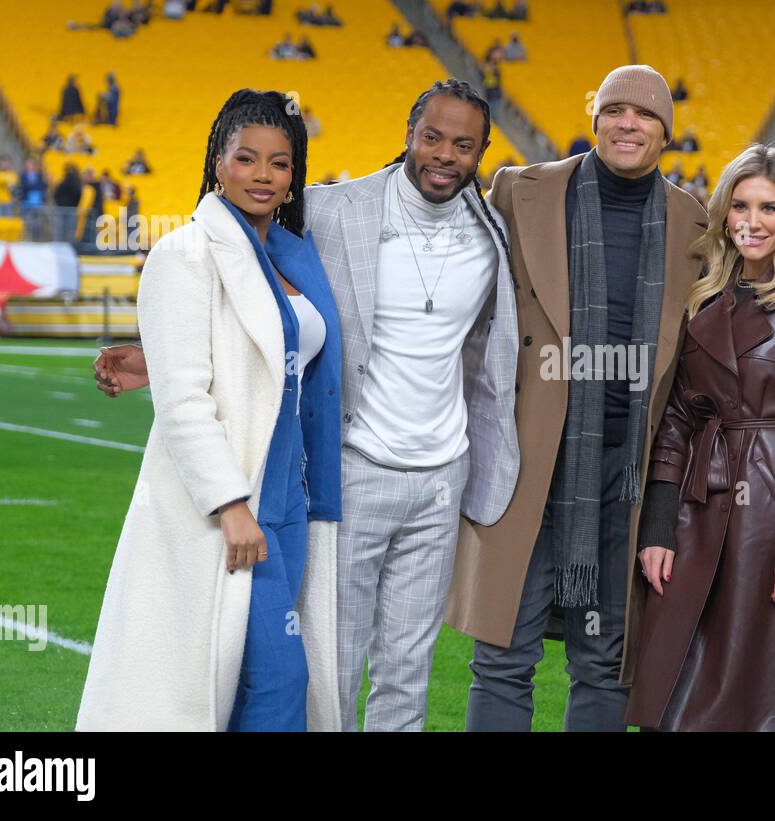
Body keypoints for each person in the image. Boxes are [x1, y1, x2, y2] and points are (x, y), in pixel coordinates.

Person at [93, 79, 522, 732]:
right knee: (317, 670)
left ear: (482, 152)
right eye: (432, 137)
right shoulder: (327, 213)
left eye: (463, 144)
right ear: (408, 135)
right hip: (332, 473)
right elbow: (220, 322)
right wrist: (162, 363)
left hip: (406, 479)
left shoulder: (483, 232)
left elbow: (278, 329)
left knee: (401, 670)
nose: (444, 154)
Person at [448, 64, 709, 733]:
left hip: (628, 471)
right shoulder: (519, 189)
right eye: (616, 109)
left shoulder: (696, 222)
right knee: (503, 651)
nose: (629, 123)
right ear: (596, 119)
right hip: (526, 461)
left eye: (646, 114)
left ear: (666, 134)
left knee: (607, 661)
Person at [77, 90, 345, 731]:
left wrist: (148, 357)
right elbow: (183, 401)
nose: (262, 174)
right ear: (217, 163)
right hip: (233, 504)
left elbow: (266, 357)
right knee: (277, 679)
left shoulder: (294, 256)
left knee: (258, 687)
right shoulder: (185, 254)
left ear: (292, 178)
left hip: (292, 500)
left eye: (279, 164)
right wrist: (230, 505)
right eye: (246, 158)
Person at [626, 143, 775, 731]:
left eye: (770, 208)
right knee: (684, 680)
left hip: (772, 509)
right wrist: (657, 526)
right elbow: (676, 417)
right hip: (698, 509)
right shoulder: (703, 294)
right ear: (724, 213)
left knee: (769, 687)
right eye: (742, 206)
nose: (753, 222)